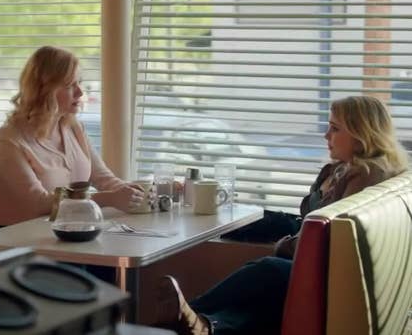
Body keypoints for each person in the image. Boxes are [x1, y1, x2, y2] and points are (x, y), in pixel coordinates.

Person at [156, 95, 408, 335]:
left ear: (361, 133)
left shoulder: (366, 174)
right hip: (303, 231)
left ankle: (187, 313)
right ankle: (206, 326)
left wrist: (284, 245)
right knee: (253, 223)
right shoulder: (342, 167)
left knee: (269, 269)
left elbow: (328, 239)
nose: (325, 135)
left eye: (335, 128)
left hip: (320, 262)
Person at [0, 45, 145, 229]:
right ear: (44, 89)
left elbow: (104, 179)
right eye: (70, 85)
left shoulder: (74, 128)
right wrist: (107, 199)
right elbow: (38, 204)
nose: (80, 92)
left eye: (79, 83)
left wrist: (140, 192)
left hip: (57, 232)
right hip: (5, 240)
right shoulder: (8, 139)